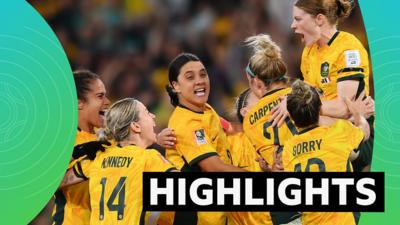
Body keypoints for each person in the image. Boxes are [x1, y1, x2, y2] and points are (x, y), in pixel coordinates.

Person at [59, 98, 177, 225]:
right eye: (147, 112)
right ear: (136, 126)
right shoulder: (147, 158)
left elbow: (54, 183)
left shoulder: (99, 157)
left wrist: (75, 152)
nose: (153, 116)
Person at [288, 0, 375, 171]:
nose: (292, 25)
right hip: (326, 129)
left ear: (319, 19)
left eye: (298, 19)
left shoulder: (348, 48)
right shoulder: (308, 52)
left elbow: (343, 109)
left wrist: (300, 108)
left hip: (358, 135)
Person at [165, 52, 244, 225]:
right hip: (198, 218)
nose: (200, 80)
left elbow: (231, 129)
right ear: (176, 86)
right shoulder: (185, 123)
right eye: (190, 77)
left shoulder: (205, 109)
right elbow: (214, 168)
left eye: (203, 74)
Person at [282, 80, 370, 225]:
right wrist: (357, 113)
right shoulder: (339, 132)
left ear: (291, 117)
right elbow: (364, 131)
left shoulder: (289, 149)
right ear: (321, 109)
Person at [52, 70, 111, 225]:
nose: (107, 101)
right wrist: (81, 154)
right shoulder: (62, 139)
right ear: (79, 102)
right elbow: (46, 185)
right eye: (100, 96)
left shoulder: (108, 137)